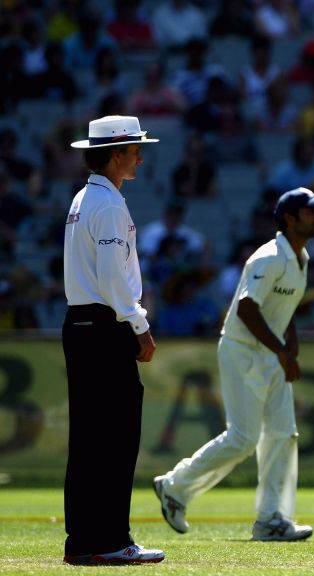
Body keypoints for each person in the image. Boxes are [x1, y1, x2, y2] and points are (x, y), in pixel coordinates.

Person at [153, 187, 314, 541]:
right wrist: (282, 350)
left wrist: (289, 346)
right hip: (243, 350)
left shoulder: (302, 257)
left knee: (283, 433)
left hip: (271, 351)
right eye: (310, 212)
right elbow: (248, 309)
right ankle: (175, 485)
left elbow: (284, 308)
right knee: (244, 437)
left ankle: (271, 519)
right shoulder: (269, 257)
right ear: (290, 219)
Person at [62, 115, 164, 564]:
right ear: (115, 153)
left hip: (84, 325)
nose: (140, 156)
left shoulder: (86, 199)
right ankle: (109, 540)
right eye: (135, 149)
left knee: (89, 440)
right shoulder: (107, 205)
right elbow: (112, 279)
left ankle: (84, 541)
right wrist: (138, 325)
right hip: (105, 328)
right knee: (115, 438)